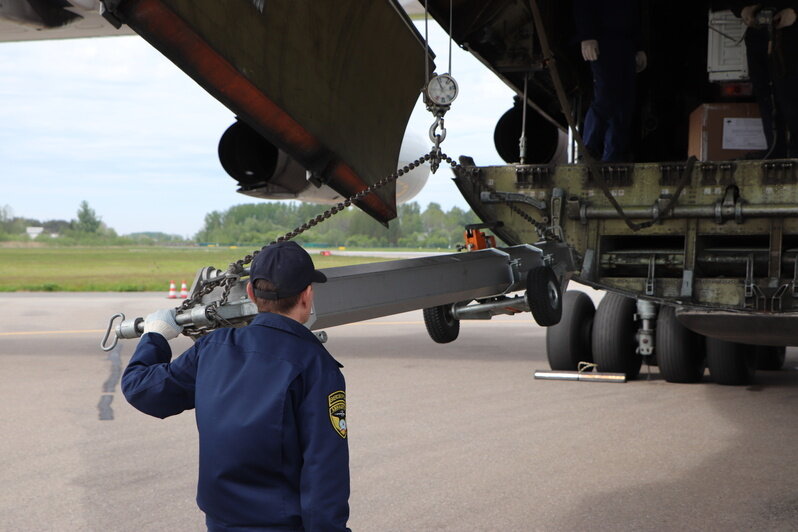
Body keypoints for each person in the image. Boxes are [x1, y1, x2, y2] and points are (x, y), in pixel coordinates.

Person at [122, 241, 350, 532]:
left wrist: (154, 337)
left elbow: (141, 389)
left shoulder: (212, 348)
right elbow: (324, 471)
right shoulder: (316, 367)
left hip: (221, 522)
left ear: (252, 294)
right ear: (307, 295)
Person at [573, 0, 647, 162]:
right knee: (606, 95)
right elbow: (583, 5)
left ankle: (613, 157)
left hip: (626, 43)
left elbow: (636, 11)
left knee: (624, 104)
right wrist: (587, 36)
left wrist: (639, 46)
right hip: (603, 40)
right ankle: (588, 148)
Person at [733, 3, 798, 158]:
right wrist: (742, 9)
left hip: (791, 35)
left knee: (790, 99)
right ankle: (777, 155)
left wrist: (795, 12)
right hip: (759, 36)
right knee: (766, 99)